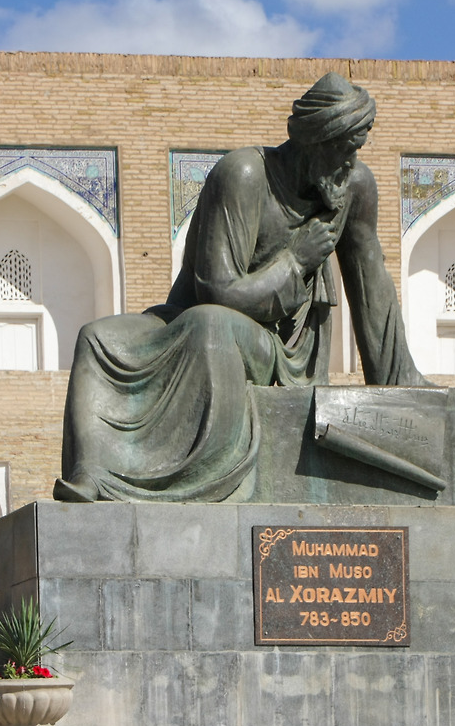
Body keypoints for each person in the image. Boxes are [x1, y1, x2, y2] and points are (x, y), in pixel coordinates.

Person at [55, 72, 428, 503]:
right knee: (97, 337)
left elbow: (371, 281)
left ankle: (192, 483)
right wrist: (296, 261)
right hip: (196, 317)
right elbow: (216, 289)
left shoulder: (354, 187)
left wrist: (398, 381)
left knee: (210, 327)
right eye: (344, 149)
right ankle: (94, 474)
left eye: (356, 150)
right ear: (315, 142)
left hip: (274, 346)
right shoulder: (245, 174)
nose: (350, 163)